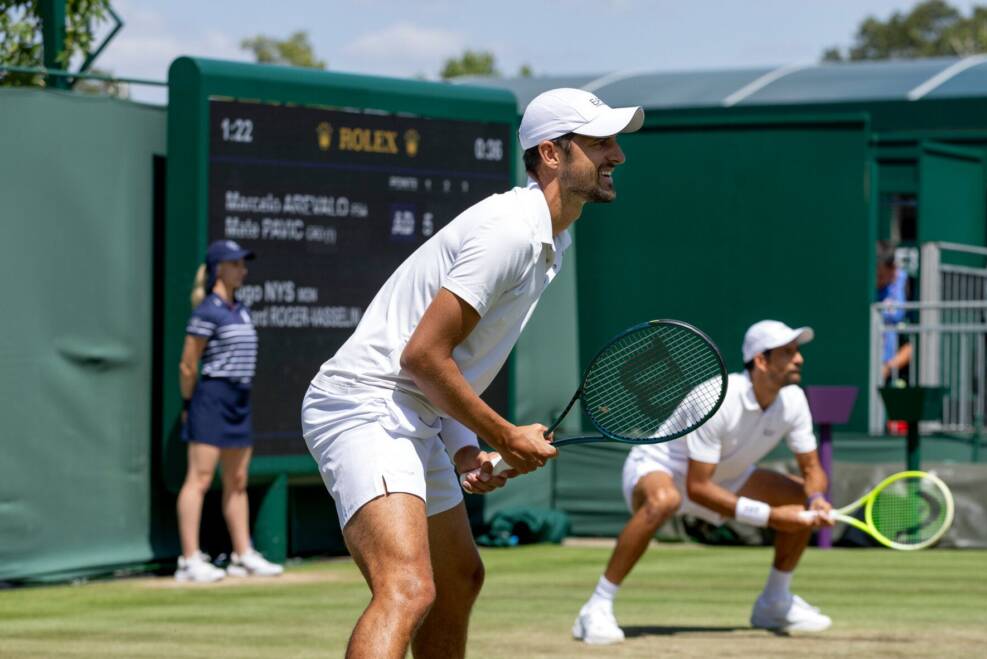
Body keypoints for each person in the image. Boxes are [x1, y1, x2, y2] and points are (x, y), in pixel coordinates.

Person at [300, 88, 644, 658]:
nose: (618, 155)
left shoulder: (552, 237)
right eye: (601, 142)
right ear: (553, 154)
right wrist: (505, 436)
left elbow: (445, 364)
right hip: (366, 404)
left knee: (459, 580)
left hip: (413, 410)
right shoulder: (510, 230)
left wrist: (464, 450)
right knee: (407, 590)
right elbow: (421, 357)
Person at [572, 320, 834, 646]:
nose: (799, 359)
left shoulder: (793, 400)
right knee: (665, 500)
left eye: (797, 352)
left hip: (725, 473)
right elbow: (697, 488)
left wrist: (817, 497)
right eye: (788, 352)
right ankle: (597, 606)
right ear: (761, 361)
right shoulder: (718, 400)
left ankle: (775, 603)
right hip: (660, 466)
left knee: (797, 495)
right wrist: (770, 517)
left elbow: (811, 469)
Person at [175, 240, 284, 582]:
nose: (243, 270)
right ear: (219, 268)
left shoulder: (242, 309)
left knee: (237, 481)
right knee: (200, 479)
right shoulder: (206, 312)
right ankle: (189, 559)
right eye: (236, 264)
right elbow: (188, 365)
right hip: (210, 398)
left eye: (243, 264)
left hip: (239, 399)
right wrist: (189, 405)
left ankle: (242, 555)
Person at [876, 240, 913, 383]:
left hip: (891, 373)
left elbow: (915, 344)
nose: (895, 272)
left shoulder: (906, 284)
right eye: (889, 267)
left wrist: (888, 367)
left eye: (895, 266)